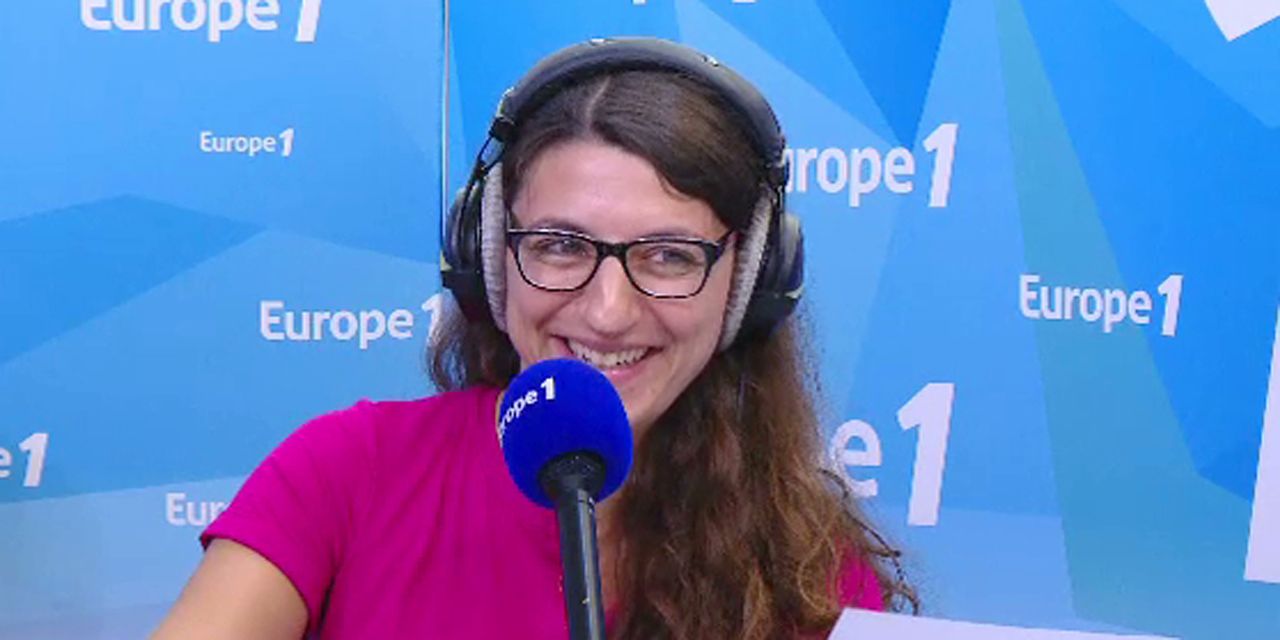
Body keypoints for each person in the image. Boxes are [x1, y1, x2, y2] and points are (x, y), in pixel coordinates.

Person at [150, 37, 915, 640]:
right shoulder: (347, 472)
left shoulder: (807, 566)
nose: (607, 312)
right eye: (559, 245)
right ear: (489, 256)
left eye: (670, 256)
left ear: (747, 284)